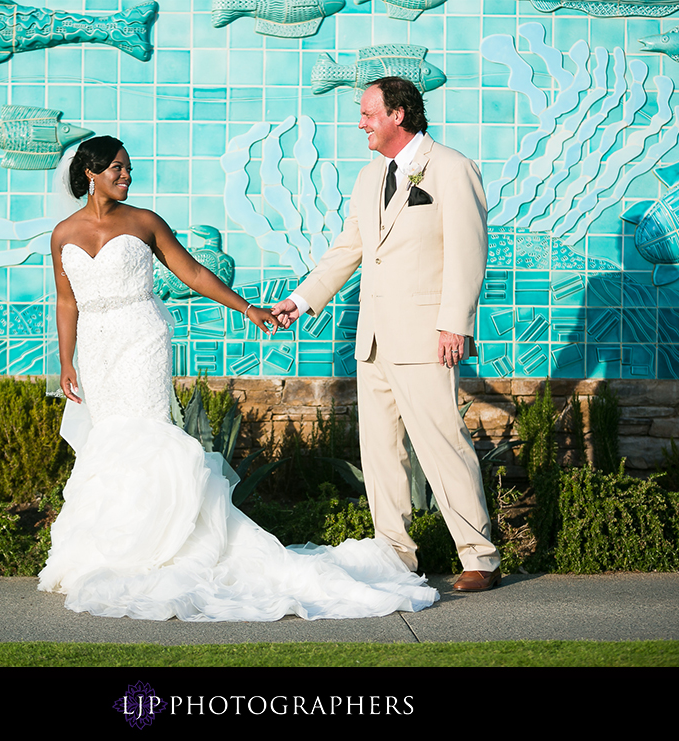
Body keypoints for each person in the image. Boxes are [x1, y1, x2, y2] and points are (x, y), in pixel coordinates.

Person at [37, 135, 440, 620]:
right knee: (109, 440)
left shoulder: (144, 223)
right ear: (91, 173)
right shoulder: (63, 234)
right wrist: (66, 362)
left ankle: (167, 545)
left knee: (146, 433)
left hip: (141, 338)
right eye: (119, 169)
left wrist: (247, 307)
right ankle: (114, 550)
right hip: (97, 349)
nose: (127, 176)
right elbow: (66, 301)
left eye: (128, 169)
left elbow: (192, 272)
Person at [272, 78, 502, 592]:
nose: (361, 123)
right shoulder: (369, 177)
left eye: (368, 113)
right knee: (381, 453)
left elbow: (469, 252)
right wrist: (302, 298)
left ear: (398, 114)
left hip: (426, 335)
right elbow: (349, 249)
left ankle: (480, 558)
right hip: (373, 339)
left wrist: (454, 324)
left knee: (443, 445)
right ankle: (397, 556)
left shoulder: (451, 168)